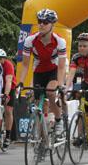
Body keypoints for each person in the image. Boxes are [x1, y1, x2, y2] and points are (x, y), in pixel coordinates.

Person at [17, 8, 67, 137]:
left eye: (45, 22)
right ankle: (41, 134)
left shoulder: (60, 41)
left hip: (54, 69)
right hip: (39, 70)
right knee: (37, 100)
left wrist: (60, 84)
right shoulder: (30, 40)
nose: (41, 25)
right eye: (39, 21)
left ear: (52, 25)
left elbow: (62, 67)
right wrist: (21, 82)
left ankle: (58, 120)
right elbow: (25, 65)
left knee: (50, 93)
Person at [0, 49, 17, 149]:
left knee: (8, 110)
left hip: (9, 87)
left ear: (4, 59)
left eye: (0, 59)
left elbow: (9, 81)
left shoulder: (8, 65)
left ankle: (8, 135)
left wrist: (6, 95)